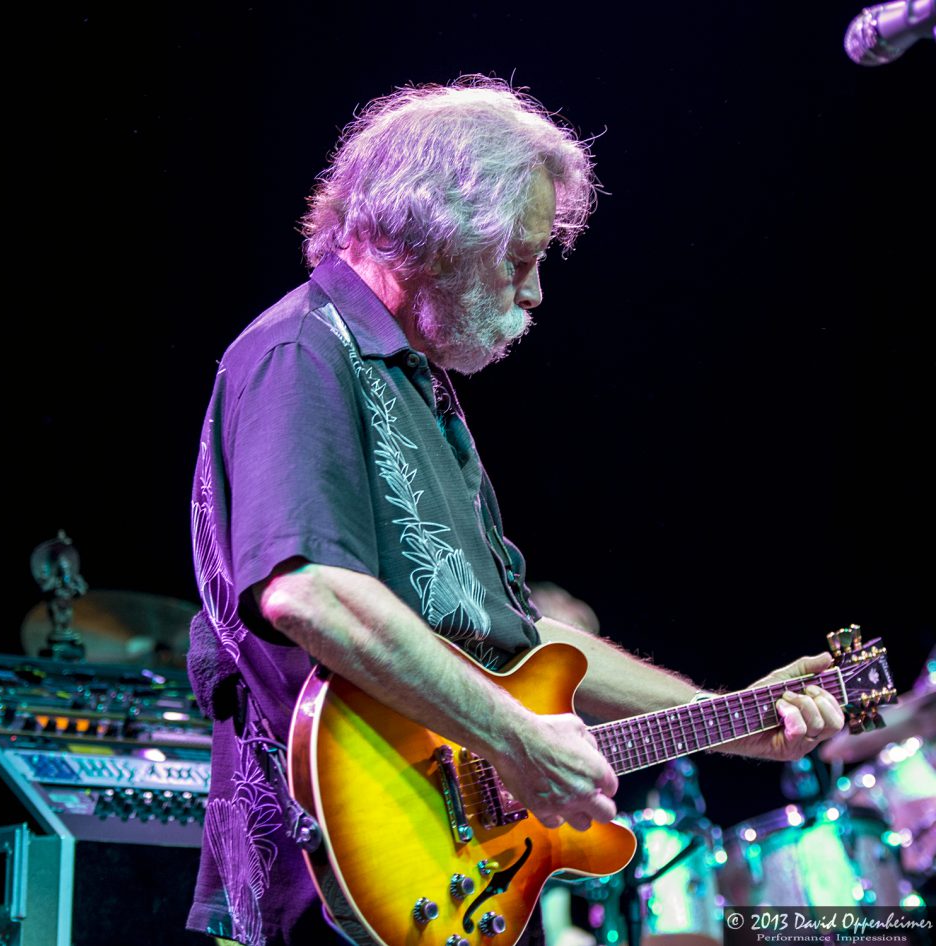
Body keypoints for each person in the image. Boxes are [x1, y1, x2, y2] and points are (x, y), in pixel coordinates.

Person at [186, 77, 844, 946]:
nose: (534, 292)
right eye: (519, 258)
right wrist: (515, 737)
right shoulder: (298, 351)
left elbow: (519, 644)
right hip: (326, 887)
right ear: (436, 229)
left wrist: (731, 715)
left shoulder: (418, 387)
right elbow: (309, 593)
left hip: (451, 878)